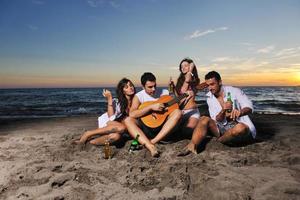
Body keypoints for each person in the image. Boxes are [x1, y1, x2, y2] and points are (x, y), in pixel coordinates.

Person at [178, 71, 256, 156]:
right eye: (208, 85)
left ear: (220, 82)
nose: (210, 88)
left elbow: (249, 107)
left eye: (212, 84)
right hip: (222, 128)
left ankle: (220, 140)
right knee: (204, 119)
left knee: (240, 128)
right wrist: (223, 110)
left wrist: (240, 112)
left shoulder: (235, 91)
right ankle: (192, 146)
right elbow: (217, 119)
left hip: (239, 128)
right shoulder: (209, 97)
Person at [124, 72, 182, 157]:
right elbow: (132, 114)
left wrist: (175, 91)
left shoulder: (165, 92)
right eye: (150, 87)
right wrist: (150, 107)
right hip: (146, 128)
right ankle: (150, 146)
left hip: (163, 128)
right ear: (143, 87)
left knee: (178, 112)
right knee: (128, 120)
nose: (154, 89)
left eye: (155, 85)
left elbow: (175, 104)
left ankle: (153, 142)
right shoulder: (139, 96)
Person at [73, 78, 136, 146]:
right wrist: (109, 99)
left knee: (115, 137)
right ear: (123, 91)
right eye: (126, 87)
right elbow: (111, 118)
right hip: (109, 125)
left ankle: (90, 143)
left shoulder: (136, 101)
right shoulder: (117, 102)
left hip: (121, 130)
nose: (130, 88)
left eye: (131, 85)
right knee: (121, 127)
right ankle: (88, 133)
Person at [170, 58, 201, 136]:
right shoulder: (180, 80)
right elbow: (179, 97)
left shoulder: (194, 79)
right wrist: (173, 88)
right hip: (181, 111)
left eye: (185, 66)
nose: (182, 68)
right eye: (181, 66)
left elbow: (184, 89)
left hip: (192, 112)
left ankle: (198, 124)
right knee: (172, 131)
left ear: (191, 67)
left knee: (187, 132)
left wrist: (190, 70)